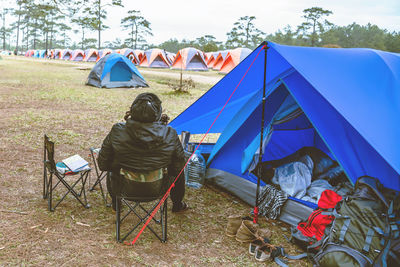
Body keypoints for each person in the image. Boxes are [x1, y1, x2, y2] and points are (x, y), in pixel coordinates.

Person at [97, 93, 188, 212]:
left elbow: (103, 164)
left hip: (123, 188)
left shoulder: (117, 130)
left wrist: (119, 165)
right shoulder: (170, 133)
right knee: (179, 171)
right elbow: (178, 167)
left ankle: (116, 204)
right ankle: (177, 204)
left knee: (113, 169)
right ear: (158, 113)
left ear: (132, 111)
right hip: (159, 189)